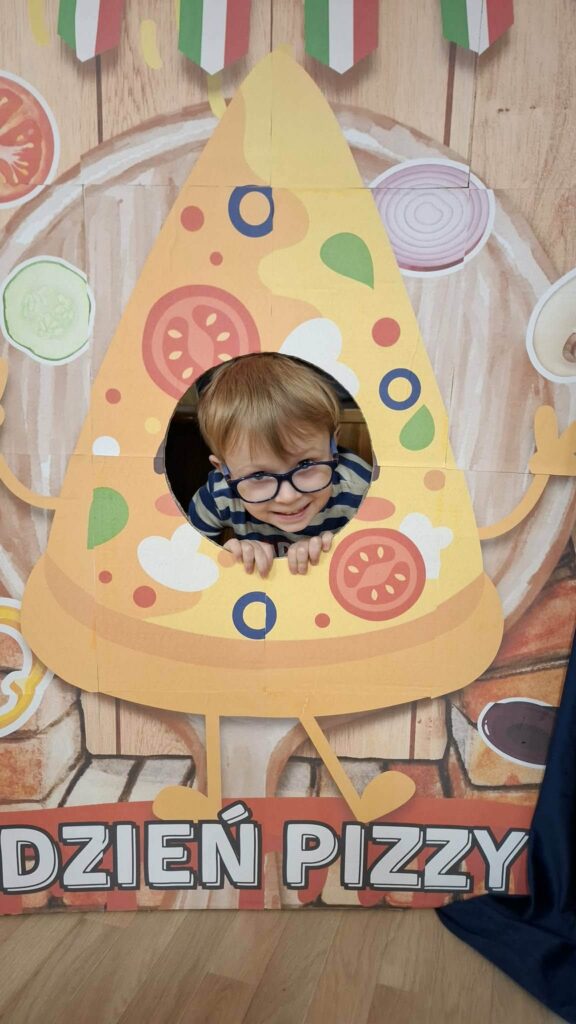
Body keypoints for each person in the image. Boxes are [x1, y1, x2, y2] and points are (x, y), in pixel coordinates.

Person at [188, 352, 373, 576]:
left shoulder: (359, 487)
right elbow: (187, 559)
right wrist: (228, 556)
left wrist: (334, 551)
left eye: (306, 464)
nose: (288, 497)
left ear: (333, 445)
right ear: (223, 470)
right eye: (258, 475)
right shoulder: (219, 496)